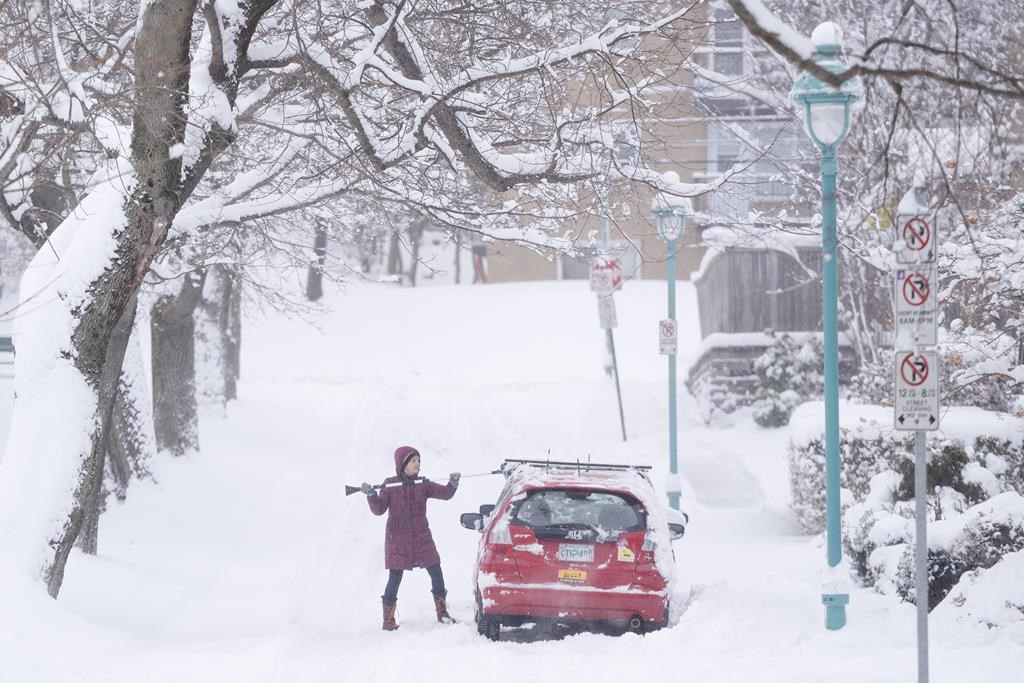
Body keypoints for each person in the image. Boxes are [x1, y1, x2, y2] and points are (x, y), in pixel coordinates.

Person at [360, 446, 460, 631]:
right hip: (398, 538)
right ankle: (388, 620)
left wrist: (453, 483)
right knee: (395, 577)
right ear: (402, 464)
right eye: (413, 460)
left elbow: (445, 494)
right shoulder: (390, 485)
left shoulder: (423, 484)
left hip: (422, 536)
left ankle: (442, 613)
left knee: (436, 571)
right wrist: (372, 495)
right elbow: (379, 509)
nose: (417, 464)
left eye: (419, 460)